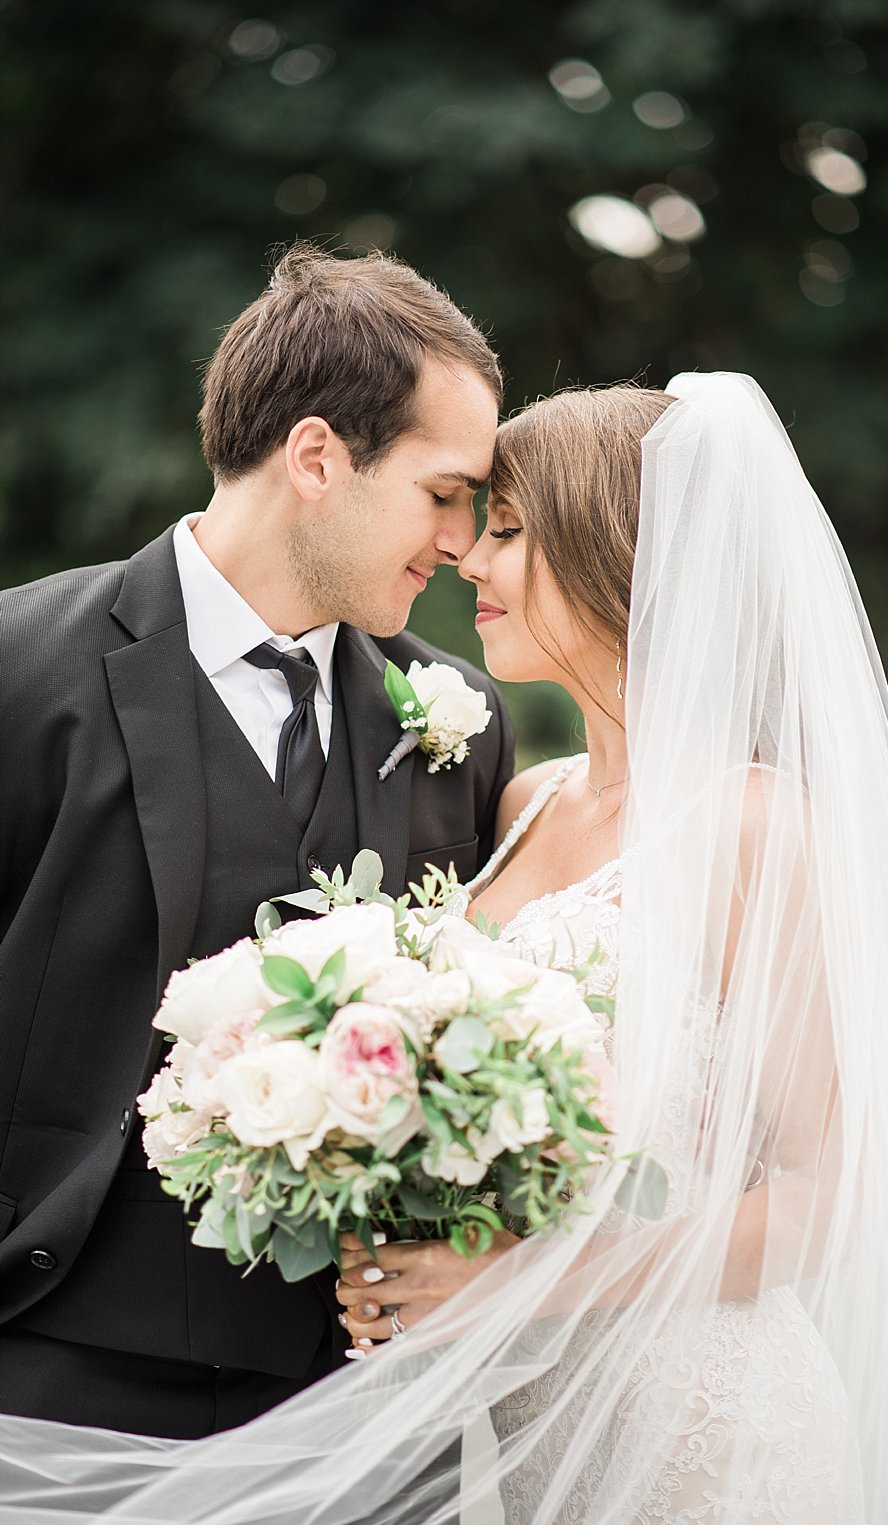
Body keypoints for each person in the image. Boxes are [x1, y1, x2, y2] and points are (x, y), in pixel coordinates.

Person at [0, 374, 888, 1524]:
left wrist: (520, 1280)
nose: (470, 560)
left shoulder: (755, 826)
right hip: (527, 1438)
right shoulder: (521, 798)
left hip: (696, 1429)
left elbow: (824, 1195)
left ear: (618, 553)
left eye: (512, 529)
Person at [0, 245, 514, 1440]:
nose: (460, 540)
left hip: (358, 1404)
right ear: (320, 458)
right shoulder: (21, 671)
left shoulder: (457, 725)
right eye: (443, 492)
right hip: (53, 1373)